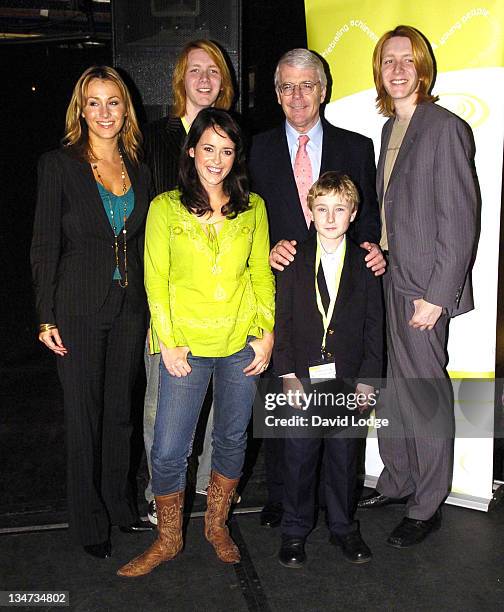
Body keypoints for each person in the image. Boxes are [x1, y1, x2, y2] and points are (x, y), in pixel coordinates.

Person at [117, 108, 275, 577]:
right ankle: (167, 538)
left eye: (227, 151)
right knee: (168, 448)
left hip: (239, 342)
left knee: (230, 438)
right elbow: (155, 279)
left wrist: (264, 330)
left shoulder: (253, 207)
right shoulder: (166, 206)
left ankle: (216, 525)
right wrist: (168, 341)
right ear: (192, 151)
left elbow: (261, 273)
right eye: (209, 148)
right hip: (183, 345)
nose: (217, 159)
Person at [249, 48, 384, 529]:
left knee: (340, 403)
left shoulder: (357, 146)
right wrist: (266, 251)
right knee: (284, 395)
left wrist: (372, 250)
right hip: (284, 290)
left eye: (307, 85)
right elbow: (249, 217)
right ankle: (282, 497)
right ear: (277, 93)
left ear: (323, 90)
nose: (297, 96)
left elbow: (366, 217)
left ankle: (337, 501)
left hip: (341, 288)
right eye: (286, 86)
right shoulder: (257, 148)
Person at [357, 25, 478, 548]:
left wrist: (438, 294)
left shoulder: (444, 127)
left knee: (424, 395)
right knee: (391, 390)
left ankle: (428, 503)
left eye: (407, 59)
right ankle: (398, 479)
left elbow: (461, 219)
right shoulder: (390, 130)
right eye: (388, 61)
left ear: (422, 67)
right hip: (390, 276)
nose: (398, 68)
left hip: (424, 287)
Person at [30, 66, 153, 559]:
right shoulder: (58, 165)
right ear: (81, 109)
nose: (104, 112)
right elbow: (43, 245)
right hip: (76, 307)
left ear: (126, 110)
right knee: (84, 417)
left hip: (129, 309)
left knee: (120, 415)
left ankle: (120, 508)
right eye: (94, 102)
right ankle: (88, 521)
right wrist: (44, 315)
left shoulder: (139, 170)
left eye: (113, 102)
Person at [142, 39, 235, 525]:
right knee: (164, 400)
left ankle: (209, 490)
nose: (204, 79)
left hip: (223, 298)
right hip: (173, 294)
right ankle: (164, 494)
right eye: (194, 70)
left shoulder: (236, 137)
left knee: (221, 404)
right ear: (181, 80)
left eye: (213, 71)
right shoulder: (156, 136)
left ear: (224, 82)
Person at [274, 171, 383, 568]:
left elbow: (375, 326)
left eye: (340, 209)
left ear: (353, 213)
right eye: (322, 209)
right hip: (303, 379)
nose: (331, 217)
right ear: (311, 211)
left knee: (343, 457)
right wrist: (286, 373)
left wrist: (369, 382)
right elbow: (281, 322)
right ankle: (294, 531)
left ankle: (343, 528)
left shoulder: (368, 265)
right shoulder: (291, 260)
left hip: (349, 380)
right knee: (299, 458)